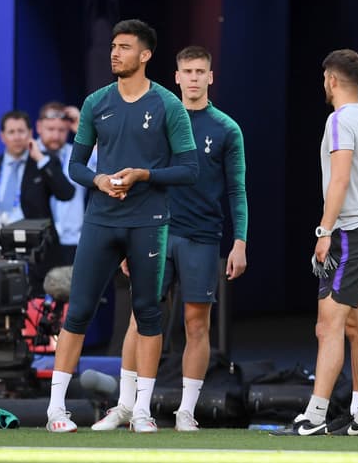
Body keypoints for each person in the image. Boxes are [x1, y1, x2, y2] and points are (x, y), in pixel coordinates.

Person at [46, 19, 199, 434]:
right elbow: (76, 164)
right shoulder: (96, 102)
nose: (115, 53)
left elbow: (189, 169)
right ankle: (55, 410)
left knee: (148, 313)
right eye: (113, 46)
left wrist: (142, 175)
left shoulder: (168, 105)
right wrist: (97, 179)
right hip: (100, 219)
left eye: (124, 47)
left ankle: (142, 410)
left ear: (145, 55)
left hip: (148, 222)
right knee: (78, 310)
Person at [95, 46, 248, 434]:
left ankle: (186, 412)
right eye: (187, 71)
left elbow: (237, 190)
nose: (194, 78)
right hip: (154, 233)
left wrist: (240, 241)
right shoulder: (157, 119)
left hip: (202, 237)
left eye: (201, 71)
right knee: (140, 318)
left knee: (196, 325)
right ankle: (126, 406)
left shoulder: (227, 129)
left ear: (211, 77)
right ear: (176, 77)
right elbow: (132, 177)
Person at [280, 49, 358, 436]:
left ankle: (314, 416)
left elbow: (340, 179)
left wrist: (324, 231)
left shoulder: (339, 121)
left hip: (348, 232)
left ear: (331, 79)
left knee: (327, 326)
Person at [0, 110, 75, 265]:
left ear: (30, 133)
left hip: (34, 253)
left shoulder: (43, 163)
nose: (17, 137)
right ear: (2, 136)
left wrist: (40, 159)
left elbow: (67, 193)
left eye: (21, 131)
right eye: (11, 132)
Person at [37, 102, 87, 267]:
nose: (56, 136)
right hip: (37, 239)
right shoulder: (29, 153)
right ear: (39, 127)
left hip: (71, 240)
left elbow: (108, 159)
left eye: (62, 130)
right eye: (51, 129)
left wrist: (81, 127)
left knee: (70, 291)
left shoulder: (78, 153)